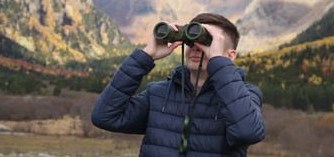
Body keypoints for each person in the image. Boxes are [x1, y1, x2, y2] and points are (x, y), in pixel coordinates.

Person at [91, 13, 265, 156]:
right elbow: (105, 117)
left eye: (207, 42)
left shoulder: (246, 95)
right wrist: (145, 56)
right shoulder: (158, 93)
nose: (197, 48)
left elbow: (247, 133)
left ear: (230, 55)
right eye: (192, 42)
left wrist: (219, 63)